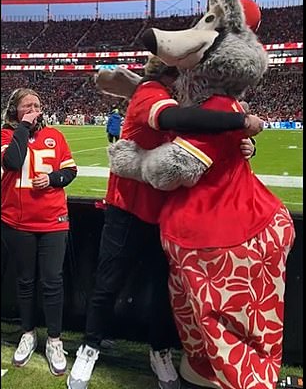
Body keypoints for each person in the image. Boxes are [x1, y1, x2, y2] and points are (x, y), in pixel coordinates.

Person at [67, 57, 262, 389]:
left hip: (170, 212)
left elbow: (205, 144)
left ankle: (159, 350)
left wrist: (243, 142)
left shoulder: (184, 98)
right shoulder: (150, 91)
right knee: (108, 283)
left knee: (166, 291)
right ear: (175, 74)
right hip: (129, 207)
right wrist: (238, 120)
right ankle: (90, 346)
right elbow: (174, 118)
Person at [1, 88, 77, 376]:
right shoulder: (7, 135)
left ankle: (54, 340)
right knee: (25, 281)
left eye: (37, 105)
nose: (34, 109)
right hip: (17, 221)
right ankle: (28, 333)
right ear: (15, 110)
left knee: (52, 281)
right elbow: (12, 162)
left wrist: (54, 178)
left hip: (52, 220)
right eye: (27, 106)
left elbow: (70, 171)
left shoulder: (55, 136)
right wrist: (22, 127)